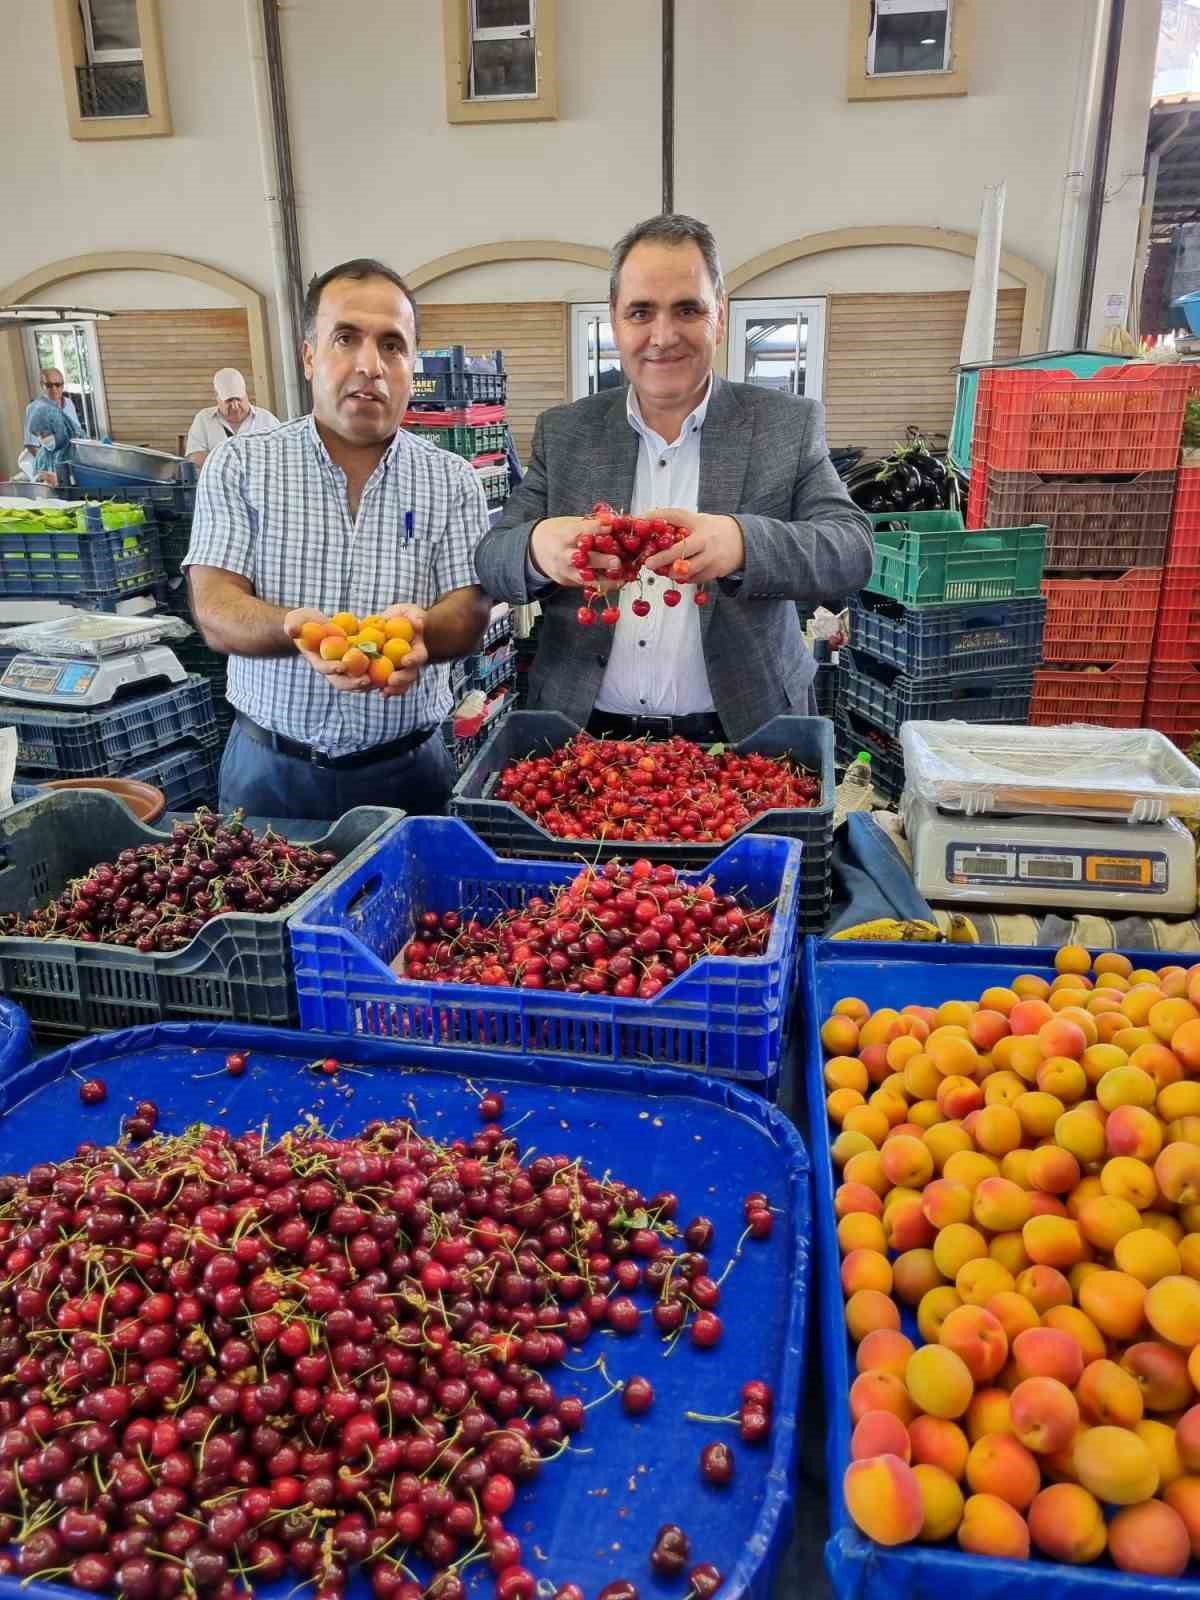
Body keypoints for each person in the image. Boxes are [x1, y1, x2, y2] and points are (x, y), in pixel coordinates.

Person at [473, 213, 873, 744]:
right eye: (641, 312)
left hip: (745, 736)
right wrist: (536, 548)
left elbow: (851, 549)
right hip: (583, 741)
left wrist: (742, 543)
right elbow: (492, 559)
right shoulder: (567, 431)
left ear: (720, 317)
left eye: (688, 309)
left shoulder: (785, 425)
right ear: (615, 321)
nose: (663, 336)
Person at [183, 257, 492, 822]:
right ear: (308, 355)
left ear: (412, 363)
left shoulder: (452, 480)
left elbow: (468, 608)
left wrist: (423, 633)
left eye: (392, 345)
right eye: (345, 338)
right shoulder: (242, 466)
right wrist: (295, 630)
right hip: (270, 773)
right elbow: (215, 607)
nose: (369, 365)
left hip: (410, 774)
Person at [185, 369, 281, 467]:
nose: (235, 406)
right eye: (229, 401)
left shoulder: (267, 419)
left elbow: (281, 452)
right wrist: (227, 465)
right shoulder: (204, 418)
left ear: (246, 395)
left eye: (239, 399)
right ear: (217, 397)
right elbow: (194, 456)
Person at [21, 396, 80, 487]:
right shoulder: (42, 456)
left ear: (57, 428)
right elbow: (37, 482)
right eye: (38, 435)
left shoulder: (79, 449)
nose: (42, 439)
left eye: (44, 433)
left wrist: (60, 480)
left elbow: (87, 484)